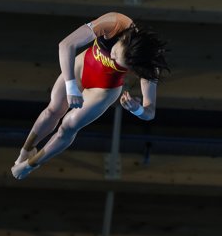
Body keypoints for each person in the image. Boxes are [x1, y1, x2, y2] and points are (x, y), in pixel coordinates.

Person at [11, 12, 169, 180]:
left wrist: (137, 110)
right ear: (125, 39)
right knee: (53, 110)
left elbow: (149, 113)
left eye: (118, 61)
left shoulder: (147, 67)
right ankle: (25, 151)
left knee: (67, 128)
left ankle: (30, 165)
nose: (113, 57)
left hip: (104, 89)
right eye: (115, 52)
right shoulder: (115, 23)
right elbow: (66, 44)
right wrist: (71, 86)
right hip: (83, 65)